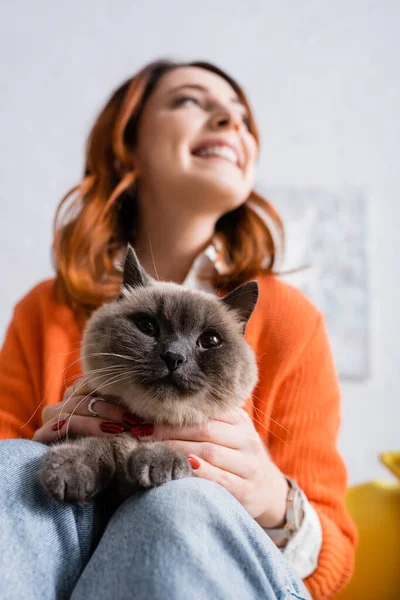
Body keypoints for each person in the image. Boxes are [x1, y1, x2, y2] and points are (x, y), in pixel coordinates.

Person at [0, 59, 357, 600]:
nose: (228, 122)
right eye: (193, 101)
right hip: (64, 564)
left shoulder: (289, 319)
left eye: (241, 118)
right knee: (16, 468)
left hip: (223, 562)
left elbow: (332, 562)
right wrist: (44, 448)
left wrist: (269, 497)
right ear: (128, 144)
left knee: (178, 501)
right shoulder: (45, 309)